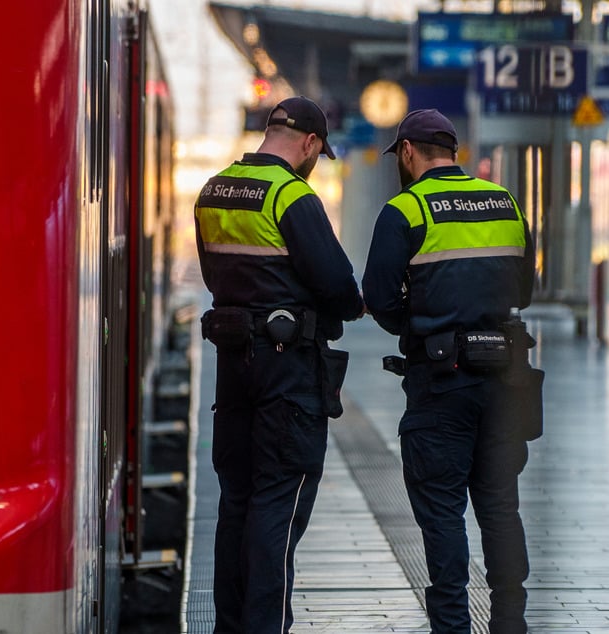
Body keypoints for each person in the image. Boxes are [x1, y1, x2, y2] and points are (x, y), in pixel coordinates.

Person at [362, 109, 541, 634]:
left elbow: (377, 297)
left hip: (442, 381)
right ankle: (510, 622)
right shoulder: (505, 202)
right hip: (506, 377)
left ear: (410, 152)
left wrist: (418, 329)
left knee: (442, 512)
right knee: (500, 507)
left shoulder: (406, 210)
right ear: (454, 152)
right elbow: (524, 293)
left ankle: (452, 626)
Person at [194, 96, 364, 633]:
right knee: (278, 502)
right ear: (311, 143)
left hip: (232, 365)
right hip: (286, 372)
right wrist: (347, 308)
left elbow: (213, 277)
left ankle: (231, 624)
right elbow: (337, 285)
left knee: (237, 500)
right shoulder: (293, 196)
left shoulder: (214, 190)